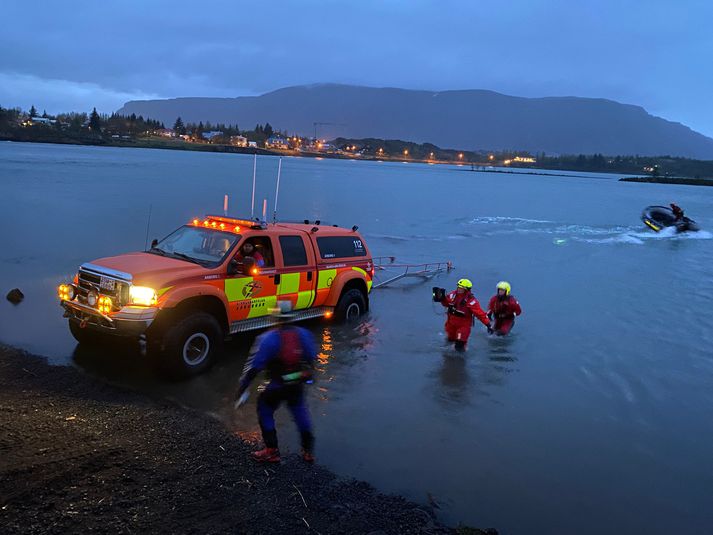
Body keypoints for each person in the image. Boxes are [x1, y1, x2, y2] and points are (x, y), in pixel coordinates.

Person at [234, 301, 316, 463]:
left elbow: (255, 367)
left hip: (277, 385)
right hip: (297, 382)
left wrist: (242, 388)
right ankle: (308, 452)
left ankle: (272, 451)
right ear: (292, 317)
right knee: (299, 410)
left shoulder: (267, 338)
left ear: (274, 318)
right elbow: (311, 358)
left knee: (264, 409)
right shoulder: (304, 334)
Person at [434, 278, 491, 351]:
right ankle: (449, 360)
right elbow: (447, 303)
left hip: (463, 325)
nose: (459, 289)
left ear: (466, 289)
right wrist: (442, 299)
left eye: (461, 288)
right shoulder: (453, 295)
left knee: (459, 346)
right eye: (458, 287)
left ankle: (461, 359)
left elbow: (479, 313)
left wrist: (488, 324)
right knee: (449, 341)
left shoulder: (471, 301)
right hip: (451, 324)